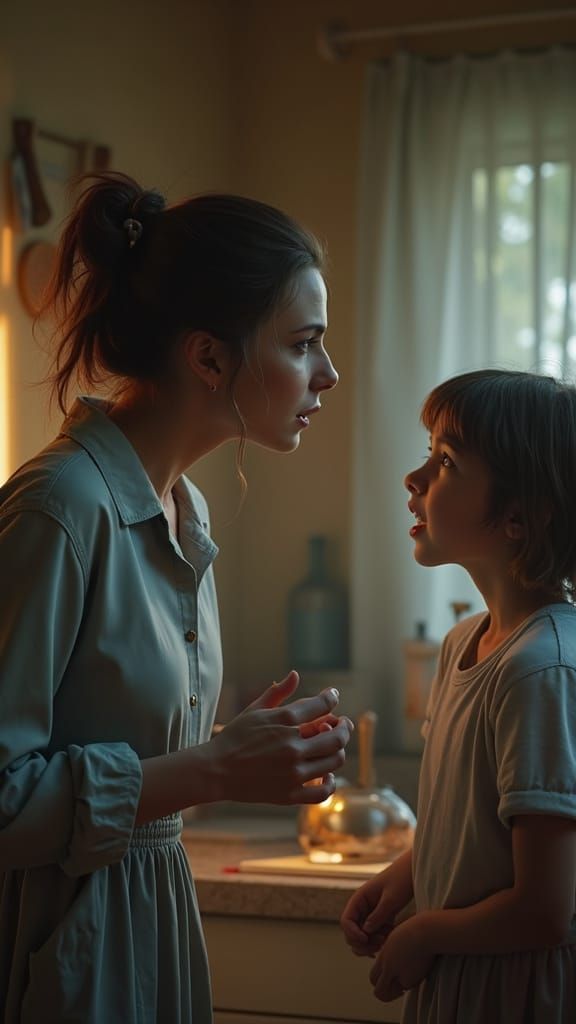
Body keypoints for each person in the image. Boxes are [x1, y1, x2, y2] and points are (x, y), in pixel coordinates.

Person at [0, 172, 353, 1023]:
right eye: (303, 344)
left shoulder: (183, 510)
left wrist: (231, 752)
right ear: (208, 357)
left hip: (152, 919)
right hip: (59, 948)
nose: (329, 374)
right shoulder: (61, 510)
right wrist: (214, 768)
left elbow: (131, 760)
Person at [341, 369, 576, 1024]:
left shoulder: (539, 669)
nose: (413, 479)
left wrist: (425, 932)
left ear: (519, 516)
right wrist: (405, 877)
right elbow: (475, 827)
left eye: (445, 462)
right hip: (464, 985)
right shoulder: (461, 644)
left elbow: (544, 910)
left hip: (515, 994)